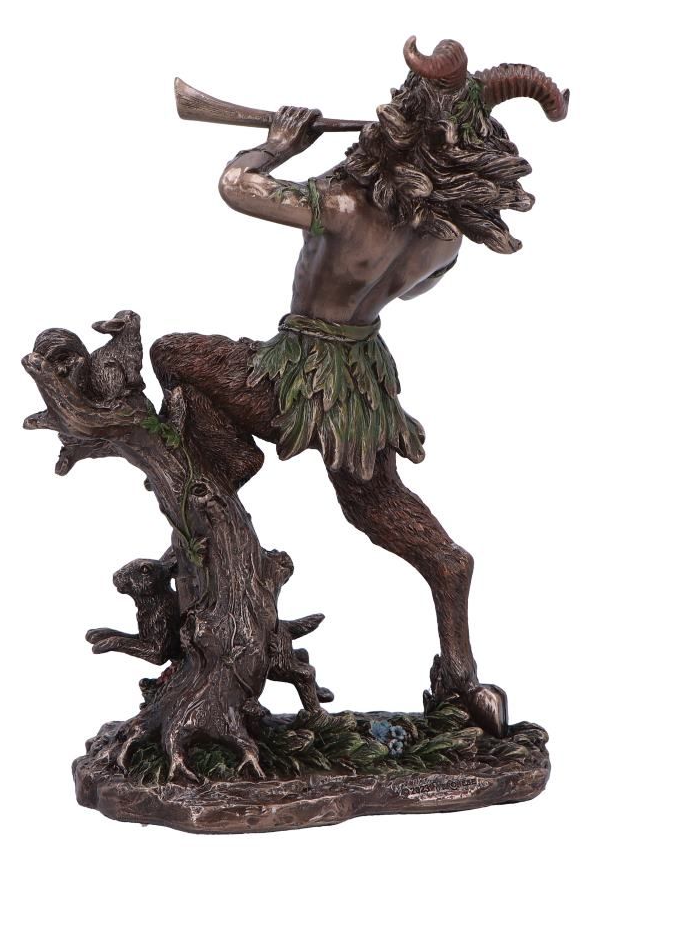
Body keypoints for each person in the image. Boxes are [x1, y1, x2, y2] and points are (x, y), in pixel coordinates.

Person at [152, 37, 568, 736]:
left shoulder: (341, 204)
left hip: (296, 372)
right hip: (363, 386)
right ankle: (459, 651)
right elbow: (413, 291)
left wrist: (277, 146)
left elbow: (235, 185)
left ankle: (229, 465)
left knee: (172, 353)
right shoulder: (444, 240)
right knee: (377, 507)